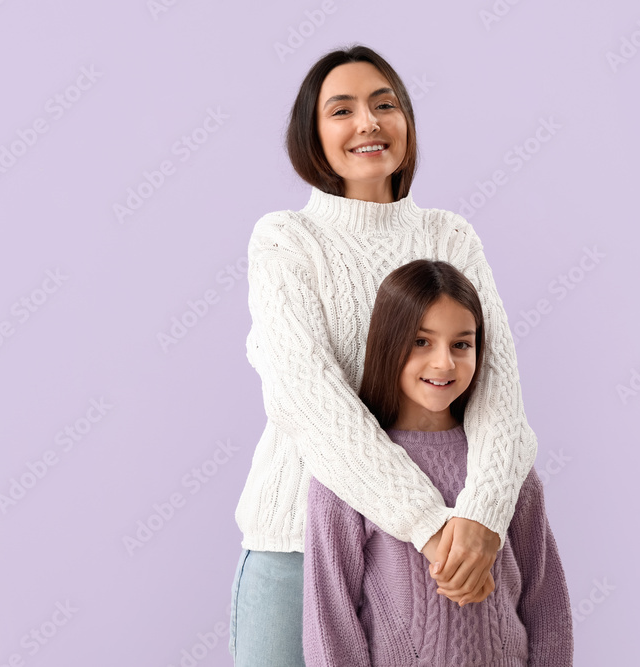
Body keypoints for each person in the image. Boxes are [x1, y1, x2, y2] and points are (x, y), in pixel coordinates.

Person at [230, 44, 540, 666]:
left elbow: (498, 387)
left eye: (384, 104)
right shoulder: (287, 241)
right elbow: (311, 402)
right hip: (300, 548)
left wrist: (480, 518)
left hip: (448, 557)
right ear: (312, 137)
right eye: (341, 110)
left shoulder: (450, 237)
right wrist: (428, 524)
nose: (368, 122)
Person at [302, 259, 574, 665]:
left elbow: (544, 600)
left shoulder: (504, 467)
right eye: (421, 341)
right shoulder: (347, 472)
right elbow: (331, 619)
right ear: (388, 343)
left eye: (461, 344)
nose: (444, 362)